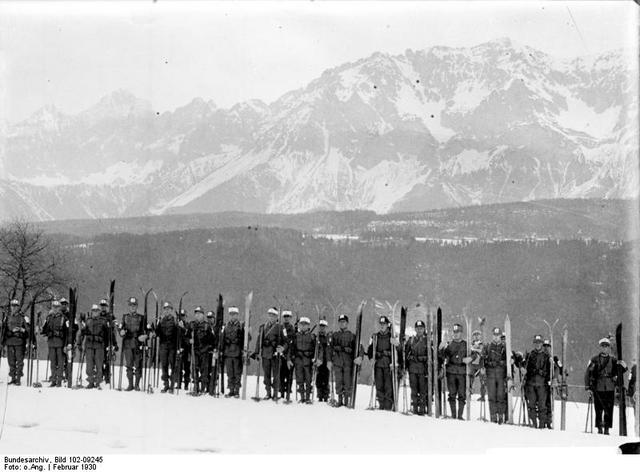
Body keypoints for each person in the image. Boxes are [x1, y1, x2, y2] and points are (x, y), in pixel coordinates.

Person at [584, 337, 627, 435]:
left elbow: (624, 369)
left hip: (609, 387)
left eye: (606, 346)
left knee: (608, 409)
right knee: (598, 409)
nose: (604, 348)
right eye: (603, 346)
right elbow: (588, 373)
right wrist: (588, 387)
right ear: (600, 347)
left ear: (609, 348)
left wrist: (621, 364)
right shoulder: (594, 359)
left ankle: (607, 428)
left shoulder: (613, 360)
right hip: (598, 387)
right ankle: (599, 427)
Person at [251, 307, 286, 400]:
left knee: (276, 375)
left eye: (273, 315)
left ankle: (275, 393)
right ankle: (268, 392)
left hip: (275, 354)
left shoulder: (281, 327)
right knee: (266, 375)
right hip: (265, 353)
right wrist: (257, 352)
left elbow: (286, 341)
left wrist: (282, 348)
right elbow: (259, 340)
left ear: (276, 317)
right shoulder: (263, 327)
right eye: (270, 315)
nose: (271, 317)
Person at [366, 315, 399, 411]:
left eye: (384, 324)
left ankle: (388, 405)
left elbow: (398, 351)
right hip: (378, 364)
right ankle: (381, 404)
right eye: (381, 324)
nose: (382, 326)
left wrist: (395, 361)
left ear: (387, 325)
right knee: (379, 385)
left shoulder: (392, 336)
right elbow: (370, 349)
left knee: (388, 386)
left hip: (389, 364)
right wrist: (371, 358)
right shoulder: (375, 336)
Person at [439, 323, 470, 419]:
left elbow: (475, 354)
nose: (456, 334)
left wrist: (470, 358)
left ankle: (460, 416)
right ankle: (453, 415)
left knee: (462, 395)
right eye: (454, 332)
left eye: (458, 332)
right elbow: (442, 356)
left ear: (461, 333)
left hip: (462, 372)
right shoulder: (449, 344)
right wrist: (441, 349)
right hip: (451, 372)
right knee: (452, 394)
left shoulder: (466, 345)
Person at [119, 297, 148, 391]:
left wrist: (144, 336)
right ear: (129, 306)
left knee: (138, 365)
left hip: (137, 343)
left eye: (134, 305)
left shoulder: (141, 317)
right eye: (131, 305)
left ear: (137, 306)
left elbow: (147, 330)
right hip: (127, 343)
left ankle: (137, 385)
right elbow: (120, 328)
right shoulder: (125, 317)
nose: (132, 307)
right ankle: (130, 385)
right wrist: (121, 332)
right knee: (129, 365)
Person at [328, 314, 358, 407]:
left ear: (347, 323)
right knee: (339, 381)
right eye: (340, 322)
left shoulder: (352, 336)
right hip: (337, 361)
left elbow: (359, 348)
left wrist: (359, 357)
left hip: (348, 362)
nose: (342, 324)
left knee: (347, 381)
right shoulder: (334, 335)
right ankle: (340, 400)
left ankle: (347, 400)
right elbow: (329, 348)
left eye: (344, 322)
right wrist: (329, 360)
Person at [523, 334, 551, 429]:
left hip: (542, 384)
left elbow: (551, 370)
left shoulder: (547, 356)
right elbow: (524, 366)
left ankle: (542, 425)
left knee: (542, 406)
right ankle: (534, 423)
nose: (537, 345)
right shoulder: (530, 355)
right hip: (531, 384)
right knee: (531, 405)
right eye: (536, 343)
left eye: (539, 343)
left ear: (542, 344)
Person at [480, 327, 507, 423]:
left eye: (498, 335)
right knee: (491, 396)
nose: (496, 337)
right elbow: (482, 359)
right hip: (490, 374)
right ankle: (493, 417)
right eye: (494, 335)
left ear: (500, 336)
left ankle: (500, 417)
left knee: (500, 396)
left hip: (501, 375)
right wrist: (482, 367)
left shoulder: (504, 347)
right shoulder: (487, 347)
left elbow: (509, 359)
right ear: (492, 336)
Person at [81, 304, 109, 389]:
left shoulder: (103, 321)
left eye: (97, 311)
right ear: (91, 311)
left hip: (99, 345)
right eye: (93, 310)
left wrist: (111, 345)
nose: (95, 312)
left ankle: (98, 382)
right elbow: (82, 333)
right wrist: (79, 343)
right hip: (89, 345)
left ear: (99, 312)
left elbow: (108, 334)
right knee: (89, 365)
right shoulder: (88, 320)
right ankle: (90, 381)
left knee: (99, 364)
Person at [289, 316, 315, 403]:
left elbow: (317, 349)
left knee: (308, 379)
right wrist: (289, 359)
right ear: (299, 325)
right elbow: (291, 348)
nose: (303, 326)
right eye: (301, 324)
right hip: (298, 359)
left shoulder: (312, 336)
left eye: (305, 324)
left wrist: (317, 359)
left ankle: (308, 397)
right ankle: (302, 397)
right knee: (299, 379)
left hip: (308, 360)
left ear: (308, 326)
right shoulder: (296, 336)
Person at [2, 299, 28, 385]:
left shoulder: (23, 317)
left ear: (18, 307)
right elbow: (3, 331)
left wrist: (21, 330)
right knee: (11, 361)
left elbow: (28, 330)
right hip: (10, 342)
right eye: (12, 306)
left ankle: (18, 379)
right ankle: (13, 377)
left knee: (19, 361)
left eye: (15, 306)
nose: (13, 307)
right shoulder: (7, 317)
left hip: (19, 342)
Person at [41, 300, 67, 387]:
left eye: (57, 307)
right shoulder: (48, 318)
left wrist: (66, 344)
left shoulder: (63, 318)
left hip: (60, 343)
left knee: (60, 363)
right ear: (52, 307)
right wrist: (43, 331)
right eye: (54, 307)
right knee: (53, 363)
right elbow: (44, 330)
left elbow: (67, 332)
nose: (55, 309)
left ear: (59, 308)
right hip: (51, 343)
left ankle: (59, 381)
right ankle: (53, 380)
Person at [405, 320, 428, 415]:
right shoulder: (411, 340)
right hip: (412, 369)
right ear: (415, 329)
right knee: (413, 389)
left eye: (421, 328)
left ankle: (422, 409)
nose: (419, 330)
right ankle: (414, 408)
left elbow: (430, 356)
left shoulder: (427, 340)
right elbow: (406, 354)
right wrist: (405, 367)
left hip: (423, 370)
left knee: (423, 390)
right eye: (418, 328)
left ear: (424, 329)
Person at [222, 306, 245, 398]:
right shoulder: (226, 326)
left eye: (234, 314)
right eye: (231, 314)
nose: (232, 316)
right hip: (228, 352)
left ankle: (237, 390)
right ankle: (231, 390)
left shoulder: (241, 326)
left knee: (237, 373)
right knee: (229, 373)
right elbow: (222, 338)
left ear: (237, 315)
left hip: (237, 352)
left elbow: (247, 339)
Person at [191, 306, 214, 395]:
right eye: (196, 314)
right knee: (194, 369)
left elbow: (212, 339)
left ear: (203, 315)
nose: (197, 316)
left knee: (204, 371)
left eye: (199, 314)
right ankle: (196, 387)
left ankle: (203, 388)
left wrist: (209, 346)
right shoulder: (192, 325)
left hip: (204, 351)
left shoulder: (207, 326)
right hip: (195, 351)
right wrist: (189, 340)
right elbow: (186, 336)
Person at [156, 302, 178, 393]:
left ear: (171, 310)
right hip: (163, 345)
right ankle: (166, 384)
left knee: (173, 365)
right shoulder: (161, 320)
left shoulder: (175, 320)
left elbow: (178, 333)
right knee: (164, 365)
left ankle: (172, 385)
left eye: (169, 309)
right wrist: (157, 324)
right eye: (165, 309)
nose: (167, 310)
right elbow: (157, 333)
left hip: (172, 346)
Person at [98, 299, 117, 385]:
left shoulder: (111, 316)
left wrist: (114, 343)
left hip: (108, 339)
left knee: (108, 359)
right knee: (100, 359)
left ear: (107, 307)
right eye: (101, 306)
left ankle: (107, 376)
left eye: (104, 306)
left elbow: (114, 330)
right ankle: (100, 374)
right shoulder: (97, 316)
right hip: (100, 340)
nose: (103, 307)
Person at [279, 310, 295, 399]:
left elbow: (291, 342)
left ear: (290, 318)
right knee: (281, 375)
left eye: (288, 316)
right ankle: (281, 393)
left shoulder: (293, 329)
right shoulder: (280, 328)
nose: (286, 318)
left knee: (289, 375)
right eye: (285, 316)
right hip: (281, 355)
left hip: (290, 354)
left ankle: (288, 393)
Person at [175, 309, 191, 391]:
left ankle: (186, 384)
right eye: (181, 316)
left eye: (183, 315)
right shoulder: (176, 326)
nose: (182, 317)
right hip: (179, 348)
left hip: (187, 349)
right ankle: (178, 383)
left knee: (187, 368)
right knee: (179, 367)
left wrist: (183, 328)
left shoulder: (188, 325)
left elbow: (188, 335)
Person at [314, 319, 330, 402]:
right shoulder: (316, 337)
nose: (322, 328)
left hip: (327, 361)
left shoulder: (329, 338)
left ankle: (326, 395)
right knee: (319, 379)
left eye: (324, 327)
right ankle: (319, 395)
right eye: (321, 326)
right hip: (318, 361)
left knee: (326, 379)